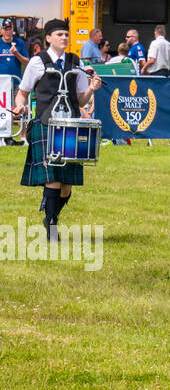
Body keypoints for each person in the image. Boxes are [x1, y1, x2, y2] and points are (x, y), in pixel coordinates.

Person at [14, 19, 104, 239]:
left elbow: (81, 101)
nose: (64, 38)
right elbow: (23, 92)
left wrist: (91, 89)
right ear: (48, 38)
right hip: (46, 124)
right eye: (59, 34)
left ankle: (50, 216)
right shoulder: (37, 62)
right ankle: (52, 228)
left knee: (67, 186)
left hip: (70, 126)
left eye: (66, 34)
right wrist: (19, 106)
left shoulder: (76, 63)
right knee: (53, 177)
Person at [1, 19, 30, 89]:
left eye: (10, 29)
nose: (8, 32)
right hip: (1, 83)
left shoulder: (19, 42)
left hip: (16, 83)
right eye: (6, 29)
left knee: (16, 100)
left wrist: (17, 54)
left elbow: (26, 63)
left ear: (12, 30)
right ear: (1, 30)